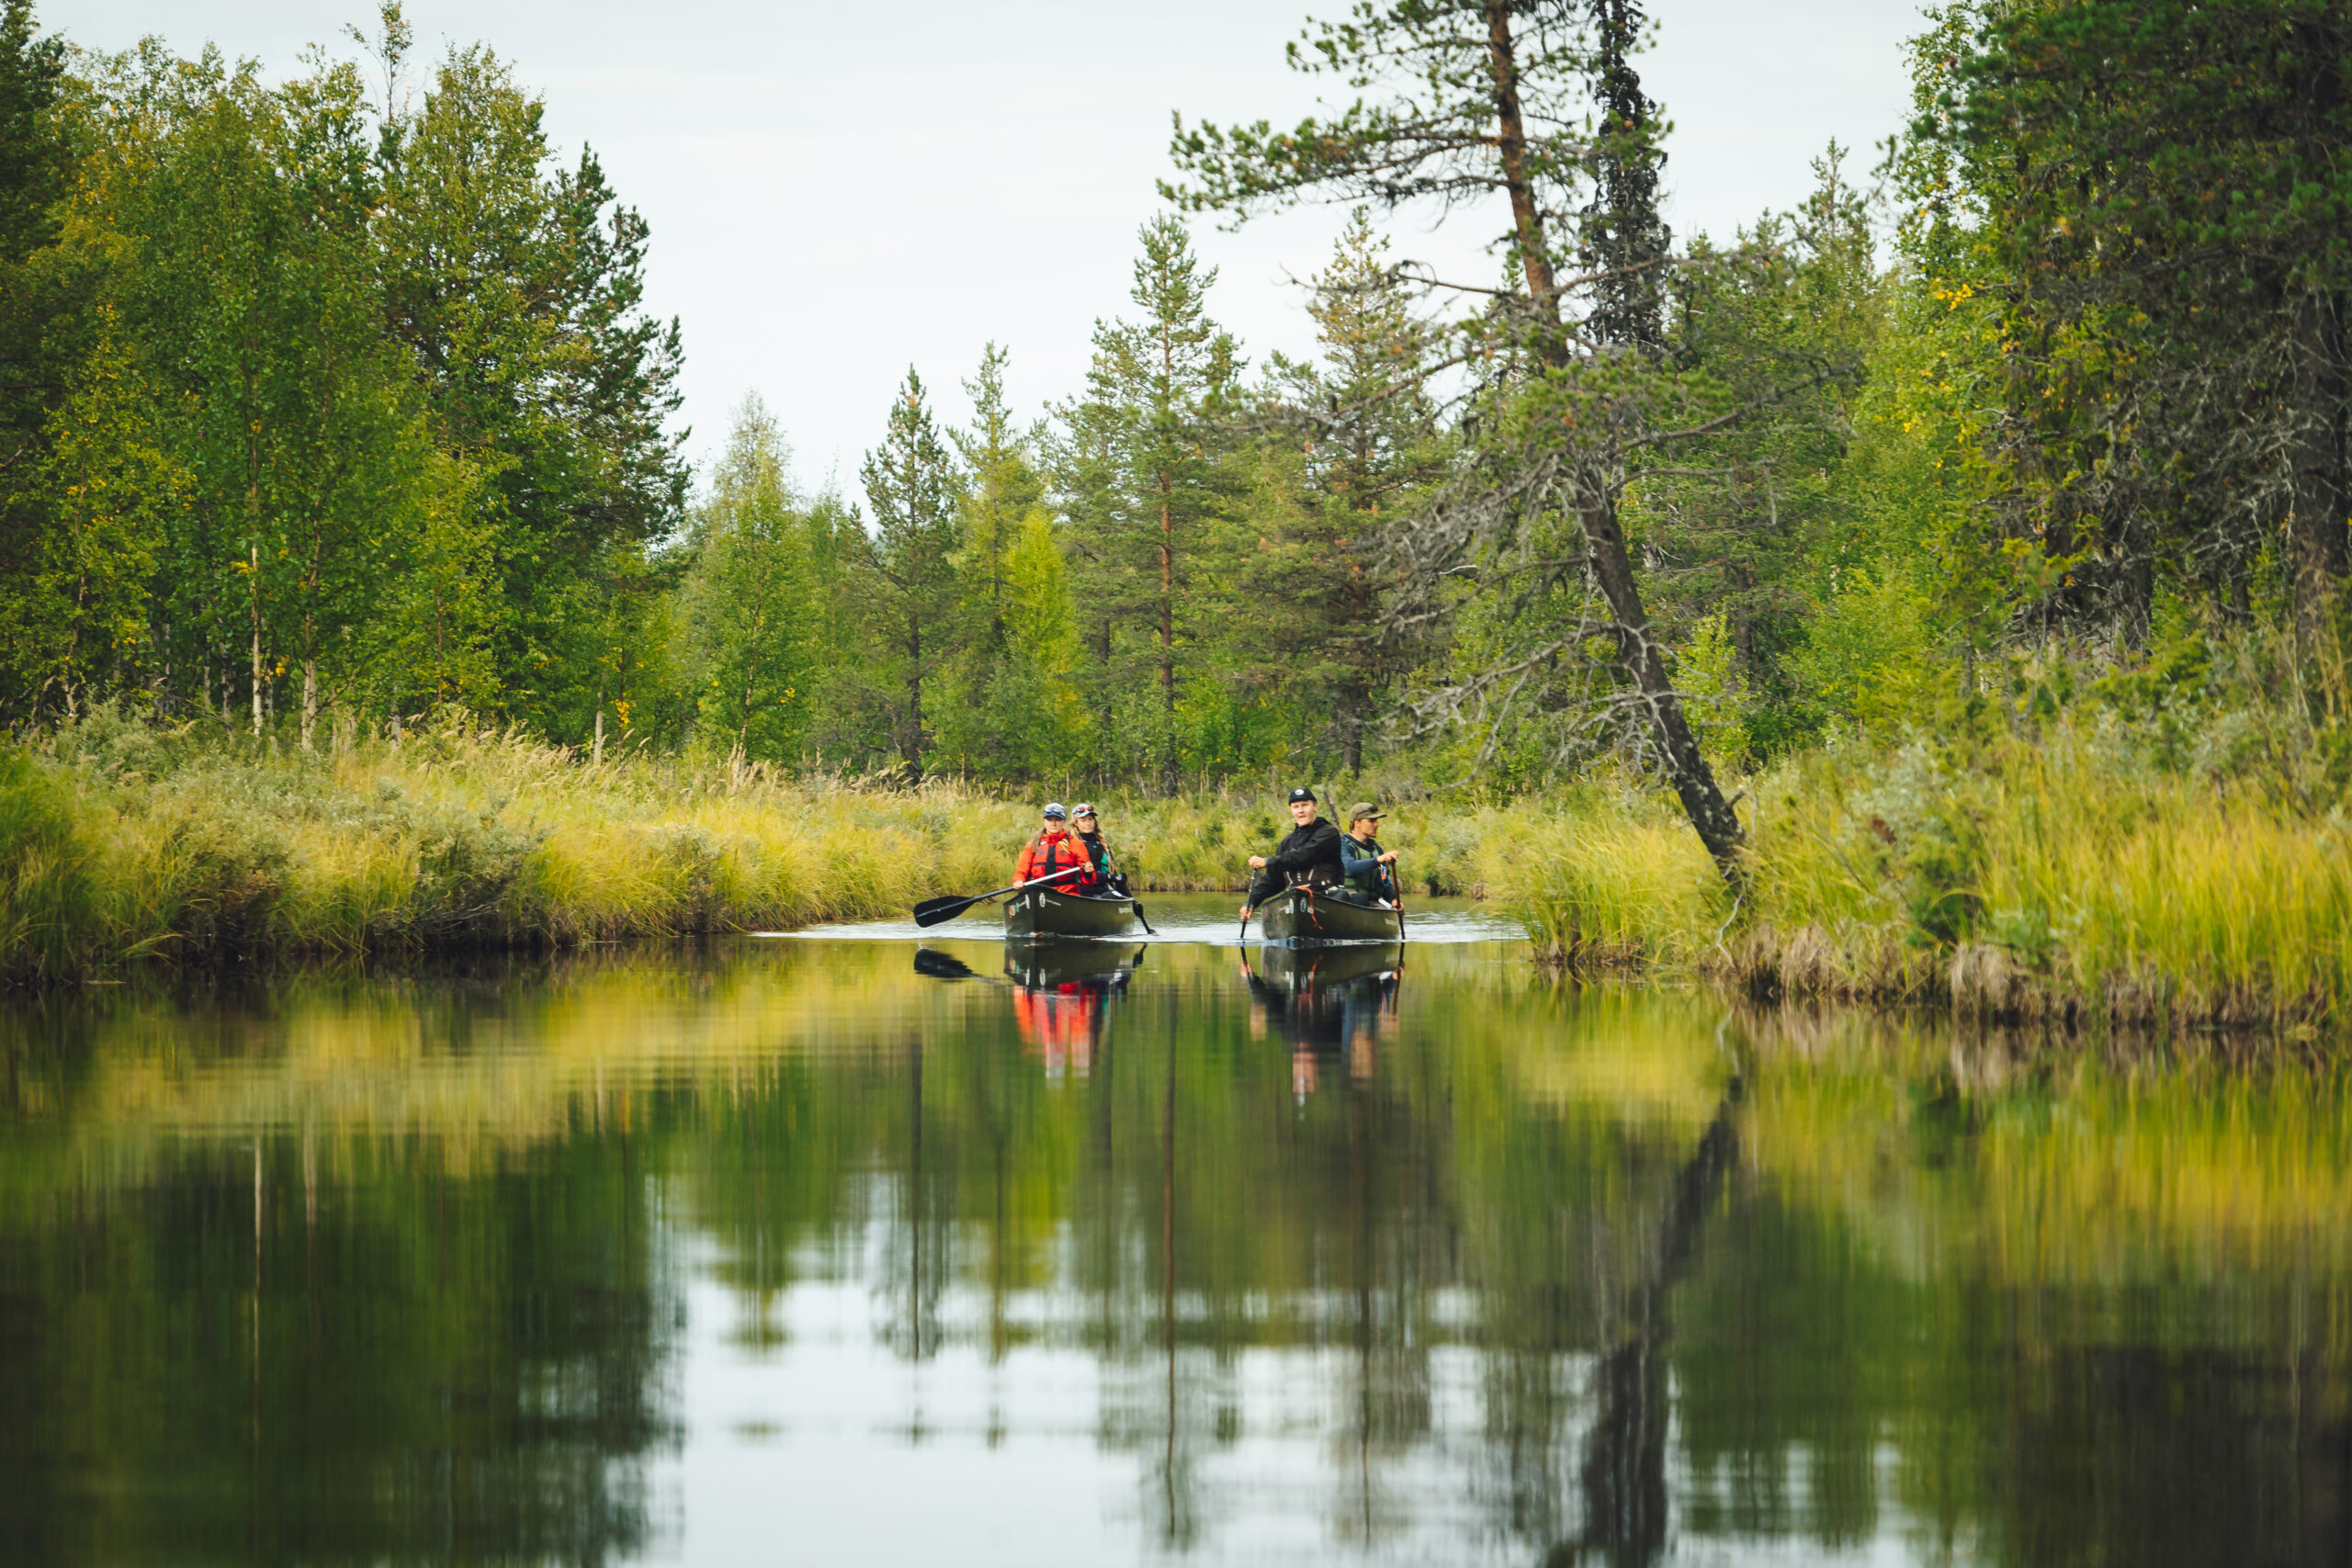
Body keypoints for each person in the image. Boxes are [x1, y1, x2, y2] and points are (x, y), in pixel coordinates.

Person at [1239, 786, 1344, 920]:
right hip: (1296, 900)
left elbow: (1305, 855)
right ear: (1291, 810)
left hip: (1327, 897)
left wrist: (1267, 861)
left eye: (1305, 805)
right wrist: (1251, 902)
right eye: (1296, 807)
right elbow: (1273, 880)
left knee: (1342, 896)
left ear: (1315, 806)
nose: (1300, 811)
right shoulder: (1286, 842)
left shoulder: (1329, 833)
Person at [1015, 802, 1099, 894]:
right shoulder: (1033, 844)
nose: (1053, 823)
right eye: (1049, 820)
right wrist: (1018, 880)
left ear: (1063, 822)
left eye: (1057, 820)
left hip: (1067, 894)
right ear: (1044, 821)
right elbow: (1021, 870)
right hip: (1039, 892)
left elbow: (1088, 883)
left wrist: (1088, 873)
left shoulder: (1075, 843)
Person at [1339, 802, 1400, 906]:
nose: (1377, 824)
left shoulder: (1377, 849)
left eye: (1376, 820)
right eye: (1371, 821)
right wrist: (1377, 860)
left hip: (1373, 904)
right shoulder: (1342, 844)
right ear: (1357, 823)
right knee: (1359, 900)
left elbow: (1384, 880)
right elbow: (1350, 867)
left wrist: (1393, 899)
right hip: (1349, 901)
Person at [1071, 803, 1130, 897]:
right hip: (1081, 892)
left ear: (1094, 821)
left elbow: (1113, 873)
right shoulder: (1071, 844)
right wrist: (1111, 877)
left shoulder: (1103, 843)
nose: (1088, 823)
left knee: (1112, 894)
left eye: (1091, 819)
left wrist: (1130, 899)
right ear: (1076, 823)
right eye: (1083, 820)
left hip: (1104, 891)